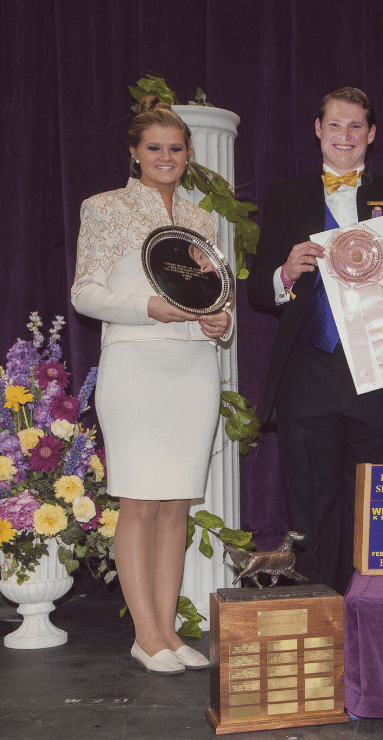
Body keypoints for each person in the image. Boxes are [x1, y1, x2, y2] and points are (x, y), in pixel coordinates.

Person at [248, 87, 383, 594]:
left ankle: (375, 615)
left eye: (355, 127)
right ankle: (319, 618)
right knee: (310, 511)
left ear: (371, 135)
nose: (344, 136)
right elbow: (258, 291)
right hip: (309, 372)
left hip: (381, 373)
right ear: (317, 129)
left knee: (378, 509)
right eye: (335, 125)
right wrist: (285, 273)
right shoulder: (285, 197)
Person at [72, 97, 232, 675]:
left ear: (188, 156)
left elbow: (214, 299)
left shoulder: (202, 220)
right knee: (139, 502)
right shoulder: (105, 208)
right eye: (154, 148)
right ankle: (146, 635)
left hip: (193, 369)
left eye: (175, 148)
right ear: (135, 154)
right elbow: (85, 293)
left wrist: (219, 320)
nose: (165, 157)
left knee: (177, 508)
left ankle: (167, 630)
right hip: (136, 365)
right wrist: (150, 308)